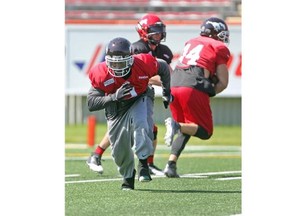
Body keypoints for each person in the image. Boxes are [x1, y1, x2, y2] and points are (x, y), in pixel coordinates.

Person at [86, 13, 173, 175]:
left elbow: (166, 72)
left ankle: (148, 164)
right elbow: (138, 75)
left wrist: (167, 88)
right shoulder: (137, 49)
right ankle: (97, 154)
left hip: (143, 92)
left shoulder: (164, 51)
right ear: (143, 31)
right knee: (123, 128)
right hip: (127, 90)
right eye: (154, 31)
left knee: (150, 129)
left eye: (160, 31)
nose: (158, 35)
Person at [163, 17, 231, 178]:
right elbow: (223, 82)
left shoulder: (191, 42)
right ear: (215, 33)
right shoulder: (218, 46)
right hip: (193, 84)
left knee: (188, 126)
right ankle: (175, 125)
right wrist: (209, 91)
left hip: (174, 83)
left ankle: (171, 164)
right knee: (205, 131)